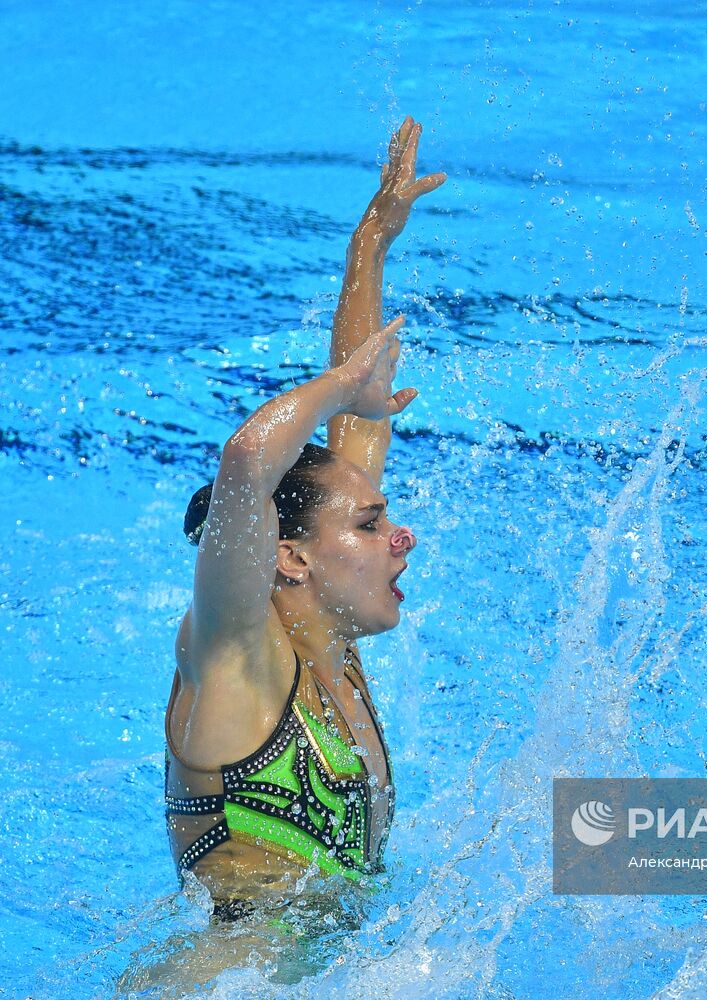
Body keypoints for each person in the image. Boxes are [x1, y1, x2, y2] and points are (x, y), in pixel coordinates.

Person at [164, 117, 446, 915]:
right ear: (290, 556)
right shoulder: (234, 655)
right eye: (367, 525)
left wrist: (372, 246)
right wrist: (342, 383)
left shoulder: (333, 643)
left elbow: (357, 431)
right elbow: (248, 464)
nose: (401, 536)